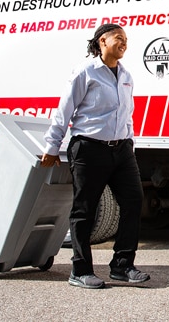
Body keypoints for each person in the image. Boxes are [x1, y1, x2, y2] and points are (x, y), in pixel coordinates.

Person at [41, 23, 150, 289]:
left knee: (134, 202)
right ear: (103, 41)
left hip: (121, 149)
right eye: (119, 38)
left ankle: (122, 266)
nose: (124, 43)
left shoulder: (125, 75)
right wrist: (52, 146)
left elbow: (127, 115)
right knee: (84, 210)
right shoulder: (86, 72)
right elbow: (64, 110)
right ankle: (80, 270)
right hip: (89, 148)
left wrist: (130, 145)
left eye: (126, 39)